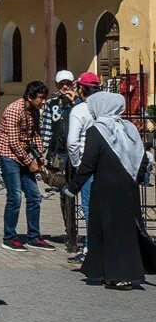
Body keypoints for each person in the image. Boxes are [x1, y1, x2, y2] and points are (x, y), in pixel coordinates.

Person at [62, 92, 156, 290]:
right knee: (124, 231)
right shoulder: (128, 128)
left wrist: (73, 187)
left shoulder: (96, 131)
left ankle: (120, 276)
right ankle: (112, 274)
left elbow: (88, 164)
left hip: (105, 189)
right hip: (127, 188)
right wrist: (137, 179)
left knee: (107, 231)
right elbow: (141, 157)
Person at [0, 81, 54, 252]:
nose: (43, 102)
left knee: (35, 196)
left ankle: (33, 237)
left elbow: (35, 133)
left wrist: (40, 156)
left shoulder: (35, 110)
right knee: (15, 197)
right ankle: (9, 237)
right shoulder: (14, 110)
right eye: (41, 98)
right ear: (30, 97)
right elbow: (13, 142)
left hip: (24, 156)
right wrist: (30, 163)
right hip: (8, 155)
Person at [65, 71, 103, 263]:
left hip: (86, 165)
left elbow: (72, 142)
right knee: (104, 207)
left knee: (89, 208)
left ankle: (91, 249)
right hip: (106, 165)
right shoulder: (107, 109)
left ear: (81, 89)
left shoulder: (79, 110)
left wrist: (77, 164)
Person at [40, 70, 79, 249]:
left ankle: (80, 229)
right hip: (59, 153)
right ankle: (70, 231)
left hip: (78, 152)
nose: (65, 86)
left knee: (81, 190)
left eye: (68, 83)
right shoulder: (51, 104)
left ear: (73, 84)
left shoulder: (79, 103)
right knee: (64, 191)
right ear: (56, 85)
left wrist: (75, 101)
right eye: (61, 83)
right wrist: (44, 151)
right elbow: (47, 128)